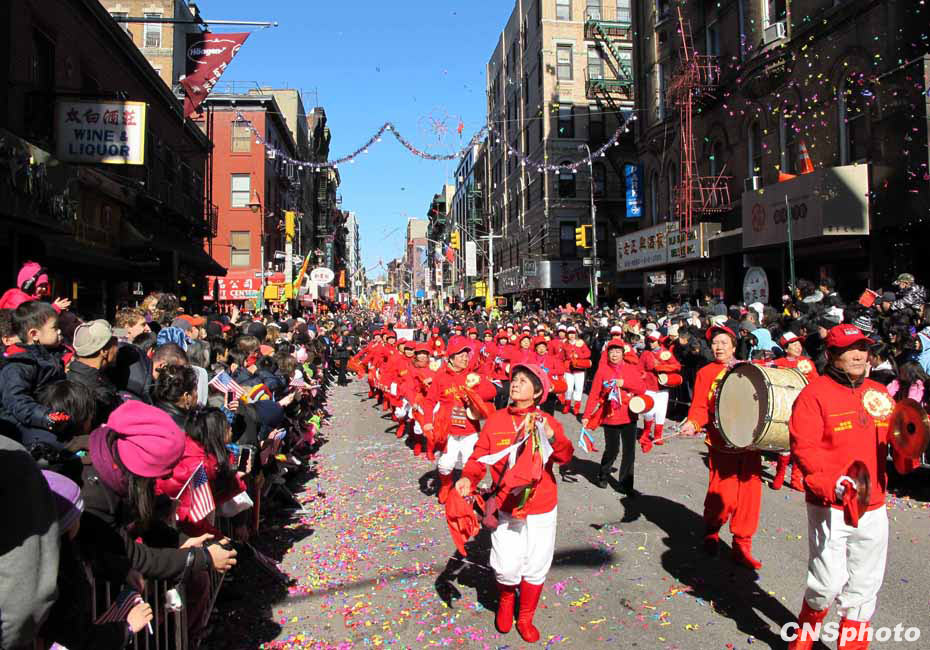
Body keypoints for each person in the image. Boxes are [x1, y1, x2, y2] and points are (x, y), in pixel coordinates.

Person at [786, 325, 919, 650]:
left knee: (864, 588)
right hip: (831, 504)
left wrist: (912, 440)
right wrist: (831, 485)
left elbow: (900, 445)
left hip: (873, 505)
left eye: (863, 348)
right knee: (826, 585)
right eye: (849, 349)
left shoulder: (879, 392)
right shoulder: (813, 395)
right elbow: (804, 450)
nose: (859, 355)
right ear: (831, 355)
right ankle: (804, 635)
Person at [455, 364, 574, 643]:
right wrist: (468, 477)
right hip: (505, 504)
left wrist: (552, 435)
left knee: (537, 562)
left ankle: (526, 616)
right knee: (506, 565)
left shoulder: (546, 421)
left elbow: (565, 456)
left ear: (538, 392)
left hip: (541, 504)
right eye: (515, 380)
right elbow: (479, 456)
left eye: (524, 381)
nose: (516, 384)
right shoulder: (496, 420)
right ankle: (507, 598)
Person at [679, 324, 764, 569]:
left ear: (734, 347)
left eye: (724, 343)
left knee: (749, 495)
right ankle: (712, 531)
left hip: (749, 443)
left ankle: (742, 544)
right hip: (720, 442)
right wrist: (694, 422)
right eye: (715, 343)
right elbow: (699, 406)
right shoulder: (705, 373)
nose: (718, 347)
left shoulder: (748, 369)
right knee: (722, 492)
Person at [423, 340, 496, 504]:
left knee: (471, 463)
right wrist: (427, 421)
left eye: (466, 355)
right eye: (461, 355)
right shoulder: (441, 377)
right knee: (445, 465)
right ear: (451, 358)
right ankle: (446, 485)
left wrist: (475, 394)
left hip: (470, 429)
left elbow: (491, 391)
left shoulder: (472, 376)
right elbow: (429, 401)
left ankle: (468, 491)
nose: (465, 358)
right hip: (448, 430)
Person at [581, 339, 646, 493]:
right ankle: (603, 475)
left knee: (629, 452)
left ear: (623, 353)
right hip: (610, 416)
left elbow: (642, 388)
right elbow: (594, 394)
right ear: (607, 353)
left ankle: (626, 484)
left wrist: (624, 383)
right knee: (612, 449)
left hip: (629, 415)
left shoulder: (631, 369)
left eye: (617, 352)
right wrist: (586, 415)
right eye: (611, 352)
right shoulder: (602, 371)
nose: (614, 355)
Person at [67, 319, 121, 428]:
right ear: (104, 351)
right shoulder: (96, 394)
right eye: (115, 341)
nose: (118, 347)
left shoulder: (78, 374)